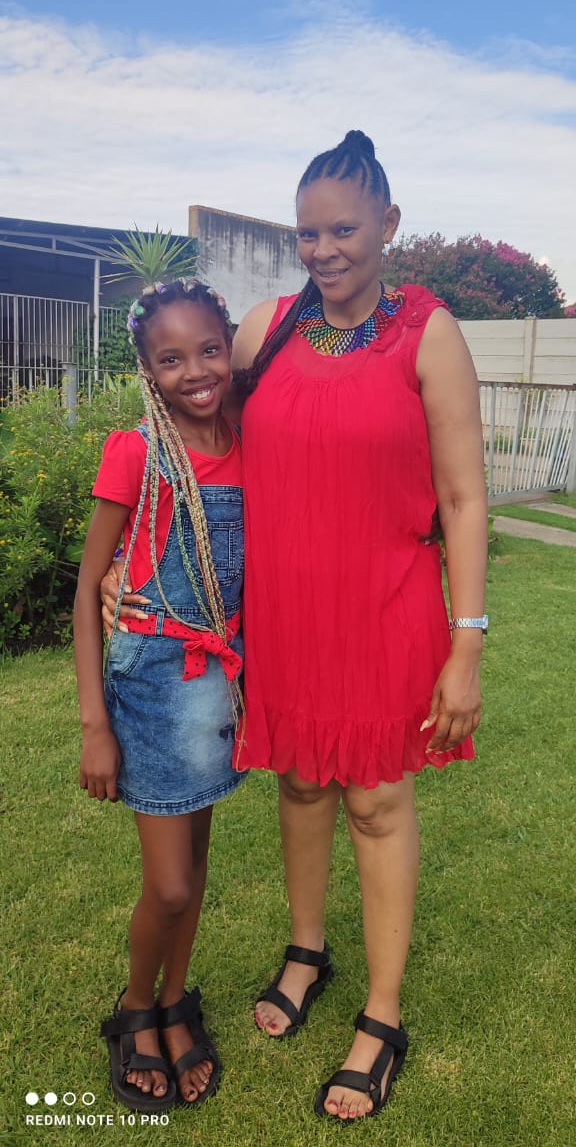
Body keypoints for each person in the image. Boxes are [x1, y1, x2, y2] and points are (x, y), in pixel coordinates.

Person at [103, 130, 488, 1122]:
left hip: (387, 611)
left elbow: (463, 498)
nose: (323, 249)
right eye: (308, 232)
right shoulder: (266, 329)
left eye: (344, 229)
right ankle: (307, 949)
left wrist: (467, 641)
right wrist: (122, 568)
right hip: (283, 617)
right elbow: (190, 434)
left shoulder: (430, 333)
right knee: (304, 782)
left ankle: (383, 1015)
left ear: (388, 224)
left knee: (378, 801)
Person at [74, 279, 246, 1113]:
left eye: (210, 349)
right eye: (171, 359)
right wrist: (93, 726)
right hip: (151, 684)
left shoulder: (247, 439)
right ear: (147, 369)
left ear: (231, 346)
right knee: (169, 884)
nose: (196, 371)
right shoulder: (137, 453)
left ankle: (177, 1002)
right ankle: (135, 1006)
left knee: (198, 860)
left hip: (220, 682)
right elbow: (88, 591)